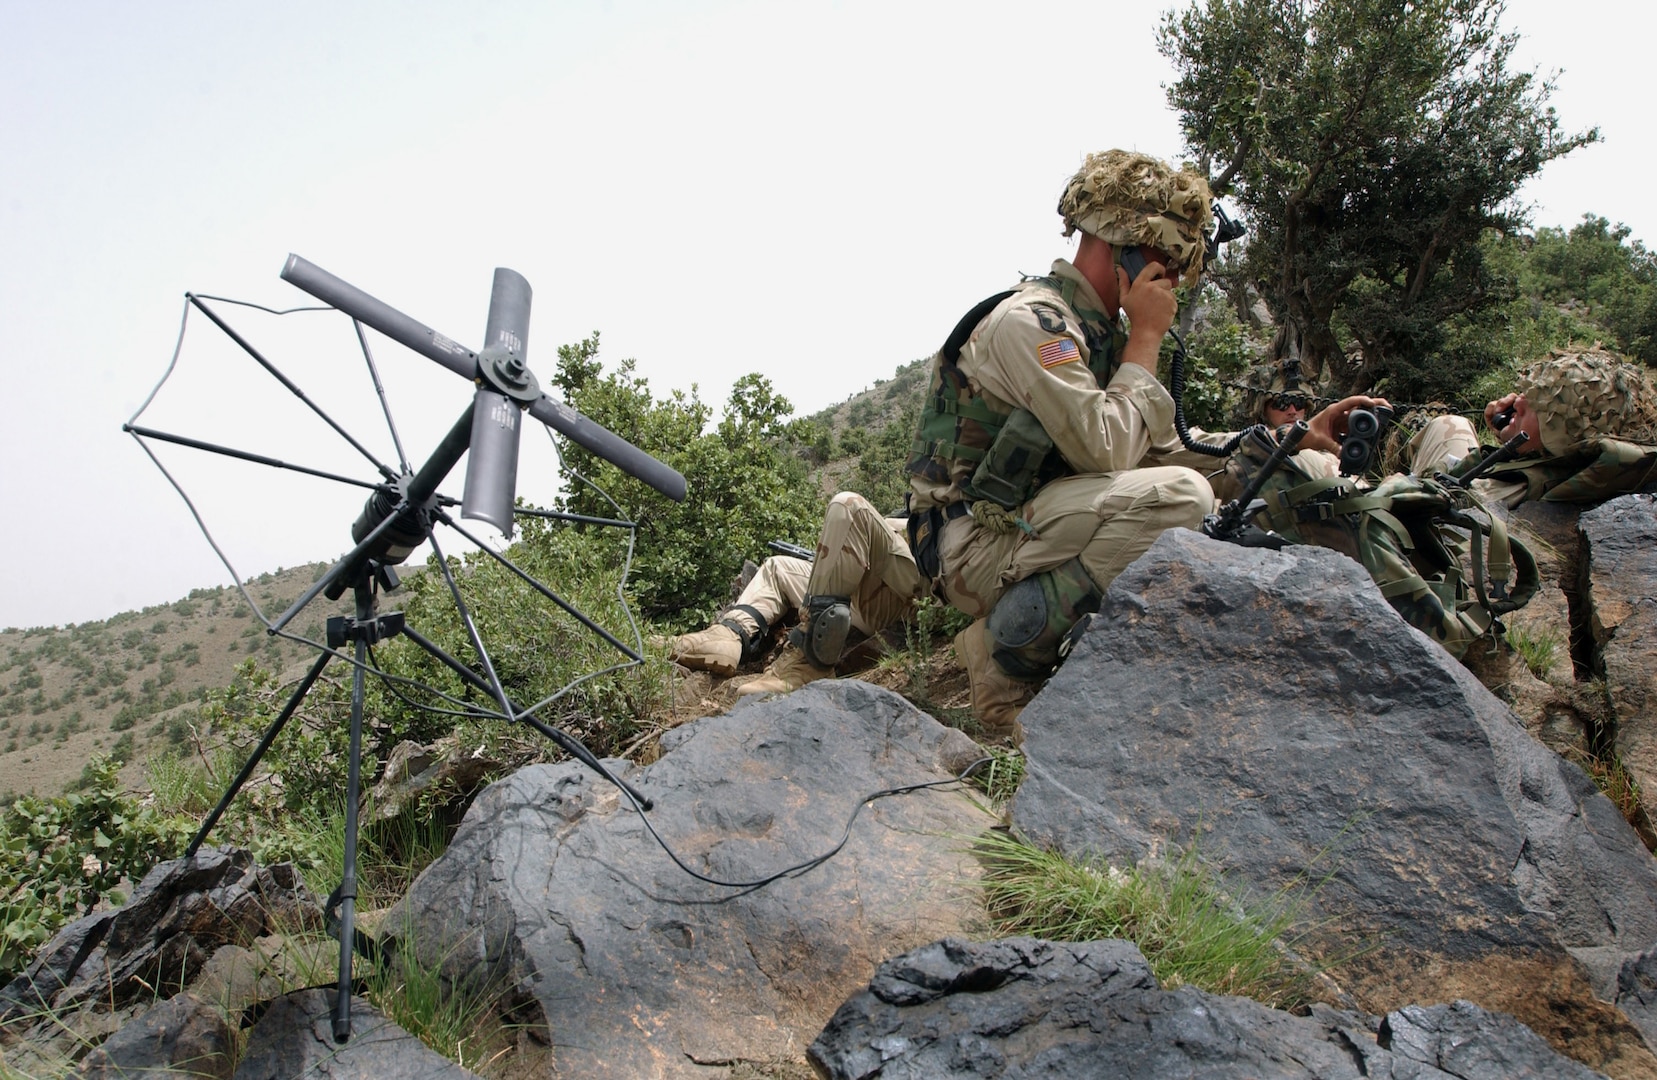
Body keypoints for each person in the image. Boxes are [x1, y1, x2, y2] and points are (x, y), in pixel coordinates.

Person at [904, 150, 1381, 743]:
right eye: (1168, 259)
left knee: (1247, 473)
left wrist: (1284, 442)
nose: (1175, 280)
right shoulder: (1035, 325)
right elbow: (1110, 452)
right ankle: (1001, 660)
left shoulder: (1098, 330)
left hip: (1041, 516)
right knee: (1180, 499)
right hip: (971, 541)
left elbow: (1162, 443)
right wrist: (1149, 337)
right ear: (1123, 245)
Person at [669, 492, 926, 695]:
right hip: (872, 595)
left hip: (917, 598)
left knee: (849, 505)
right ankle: (728, 636)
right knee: (778, 568)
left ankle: (812, 662)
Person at [1405, 348, 1657, 507]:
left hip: (1433, 501)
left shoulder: (1508, 488)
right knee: (1451, 423)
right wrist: (1510, 432)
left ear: (1560, 438)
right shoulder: (1553, 457)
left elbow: (1411, 506)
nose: (1519, 401)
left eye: (1540, 405)